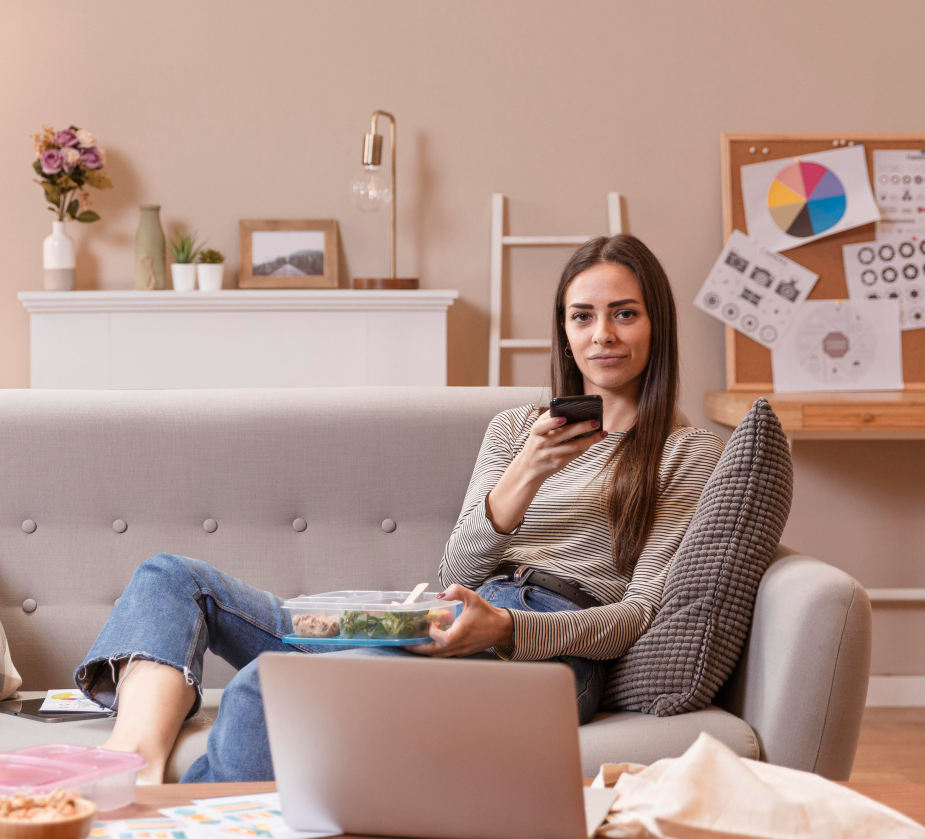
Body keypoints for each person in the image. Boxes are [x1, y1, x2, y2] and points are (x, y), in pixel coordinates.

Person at [75, 234, 723, 783]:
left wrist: (507, 630)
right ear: (563, 328)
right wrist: (524, 474)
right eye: (582, 316)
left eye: (624, 314)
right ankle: (131, 773)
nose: (601, 334)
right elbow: (458, 563)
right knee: (171, 578)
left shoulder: (684, 450)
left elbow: (638, 615)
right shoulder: (514, 430)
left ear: (654, 324)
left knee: (268, 688)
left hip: (545, 654)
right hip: (449, 613)